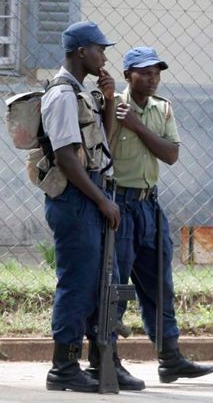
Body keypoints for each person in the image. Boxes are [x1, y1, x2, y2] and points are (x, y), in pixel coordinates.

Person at [98, 46, 213, 384]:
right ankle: (110, 360)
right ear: (127, 76)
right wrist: (117, 114)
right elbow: (103, 147)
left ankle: (170, 357)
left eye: (157, 73)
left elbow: (171, 154)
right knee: (116, 285)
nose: (153, 79)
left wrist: (137, 126)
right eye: (145, 73)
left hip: (149, 205)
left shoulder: (161, 109)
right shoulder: (113, 106)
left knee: (159, 284)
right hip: (119, 204)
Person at [41, 21, 120, 392]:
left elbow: (103, 149)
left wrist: (107, 101)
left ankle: (86, 363)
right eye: (99, 50)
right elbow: (67, 160)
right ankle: (63, 367)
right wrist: (102, 199)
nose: (104, 57)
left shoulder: (82, 94)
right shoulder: (61, 94)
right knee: (76, 283)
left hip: (89, 195)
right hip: (77, 199)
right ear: (80, 52)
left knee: (94, 282)